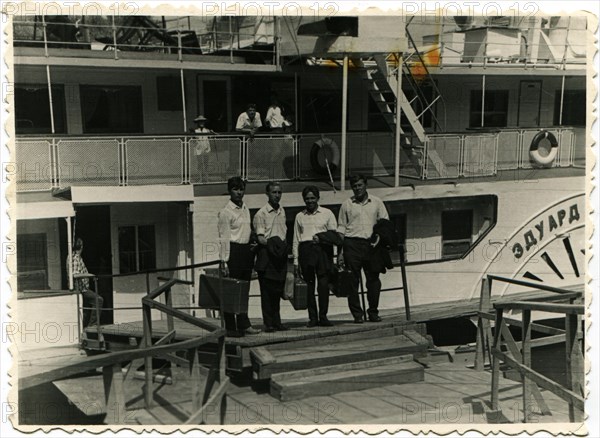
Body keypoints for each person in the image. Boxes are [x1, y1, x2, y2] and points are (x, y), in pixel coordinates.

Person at [337, 174, 390, 323]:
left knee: (373, 280)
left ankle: (373, 313)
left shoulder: (377, 202)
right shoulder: (346, 204)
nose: (357, 189)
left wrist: (379, 236)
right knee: (352, 281)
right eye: (354, 186)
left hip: (371, 245)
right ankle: (357, 315)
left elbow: (385, 223)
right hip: (351, 244)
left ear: (365, 185)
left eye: (360, 185)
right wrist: (340, 252)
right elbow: (341, 228)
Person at [217, 176, 261, 337]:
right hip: (233, 253)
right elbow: (224, 238)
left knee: (244, 290)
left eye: (241, 189)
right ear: (230, 191)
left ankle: (244, 323)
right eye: (235, 189)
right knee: (231, 290)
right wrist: (224, 261)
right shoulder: (225, 212)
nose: (239, 192)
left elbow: (247, 231)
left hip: (245, 252)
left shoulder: (245, 208)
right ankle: (230, 327)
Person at [293, 185, 338, 327]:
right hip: (306, 252)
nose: (310, 201)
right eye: (307, 199)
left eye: (312, 198)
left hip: (323, 251)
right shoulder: (299, 216)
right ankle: (313, 318)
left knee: (323, 285)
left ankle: (323, 316)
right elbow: (296, 239)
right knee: (309, 286)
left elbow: (334, 235)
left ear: (318, 198)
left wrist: (335, 256)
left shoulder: (327, 213)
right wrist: (295, 261)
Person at [253, 181, 289, 332]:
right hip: (267, 254)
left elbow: (284, 233)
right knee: (267, 292)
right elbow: (260, 238)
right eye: (274, 192)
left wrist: (282, 248)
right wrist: (274, 245)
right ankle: (268, 323)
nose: (277, 195)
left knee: (277, 290)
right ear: (267, 194)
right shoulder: (261, 214)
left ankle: (277, 321)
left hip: (279, 256)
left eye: (279, 192)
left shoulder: (282, 211)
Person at [67, 237, 104, 328]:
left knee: (85, 311)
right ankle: (93, 324)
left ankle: (84, 328)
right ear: (81, 246)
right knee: (98, 300)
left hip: (83, 288)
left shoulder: (75, 257)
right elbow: (74, 275)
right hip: (80, 289)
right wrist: (90, 275)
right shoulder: (75, 258)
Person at [191, 115, 214, 183]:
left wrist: (212, 132)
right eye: (200, 122)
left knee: (206, 164)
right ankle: (200, 178)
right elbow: (193, 139)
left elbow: (211, 136)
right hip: (199, 149)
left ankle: (206, 178)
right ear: (197, 123)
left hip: (206, 148)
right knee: (200, 164)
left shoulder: (207, 130)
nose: (201, 123)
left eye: (203, 122)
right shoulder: (195, 131)